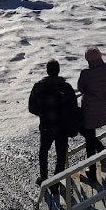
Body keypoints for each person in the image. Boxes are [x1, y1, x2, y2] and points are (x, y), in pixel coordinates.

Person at [77, 47, 106, 182]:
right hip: (104, 111)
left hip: (88, 112)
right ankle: (103, 153)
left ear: (87, 60)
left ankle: (92, 173)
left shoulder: (86, 73)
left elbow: (81, 88)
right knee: (90, 137)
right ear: (101, 56)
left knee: (89, 139)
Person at [28, 59, 78, 187]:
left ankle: (44, 178)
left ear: (47, 71)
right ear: (58, 70)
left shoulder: (38, 87)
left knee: (43, 152)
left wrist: (43, 113)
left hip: (46, 126)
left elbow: (32, 108)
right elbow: (73, 107)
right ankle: (56, 181)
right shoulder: (66, 87)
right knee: (61, 155)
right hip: (62, 127)